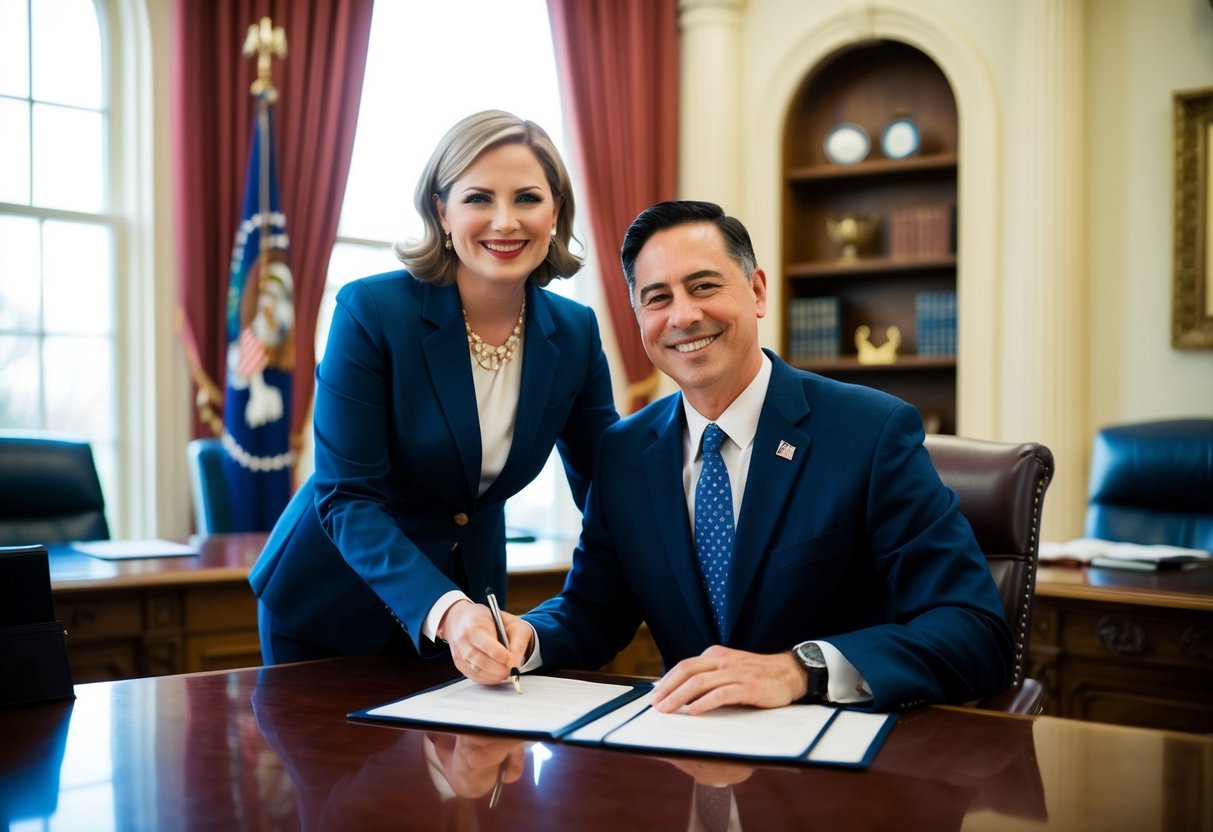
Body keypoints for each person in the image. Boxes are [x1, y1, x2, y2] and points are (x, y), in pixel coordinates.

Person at [489, 200, 1013, 714]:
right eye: (657, 298)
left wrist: (799, 669)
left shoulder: (871, 432)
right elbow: (593, 612)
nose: (684, 316)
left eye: (703, 287)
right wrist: (527, 636)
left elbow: (974, 629)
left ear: (757, 291)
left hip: (839, 761)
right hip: (694, 754)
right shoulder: (624, 452)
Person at [248, 110, 618, 670]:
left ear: (556, 213)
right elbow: (348, 497)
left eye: (527, 198)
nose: (504, 221)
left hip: (474, 606)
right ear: (441, 212)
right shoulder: (371, 311)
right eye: (477, 199)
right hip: (330, 606)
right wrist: (447, 611)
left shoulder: (576, 332)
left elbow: (607, 489)